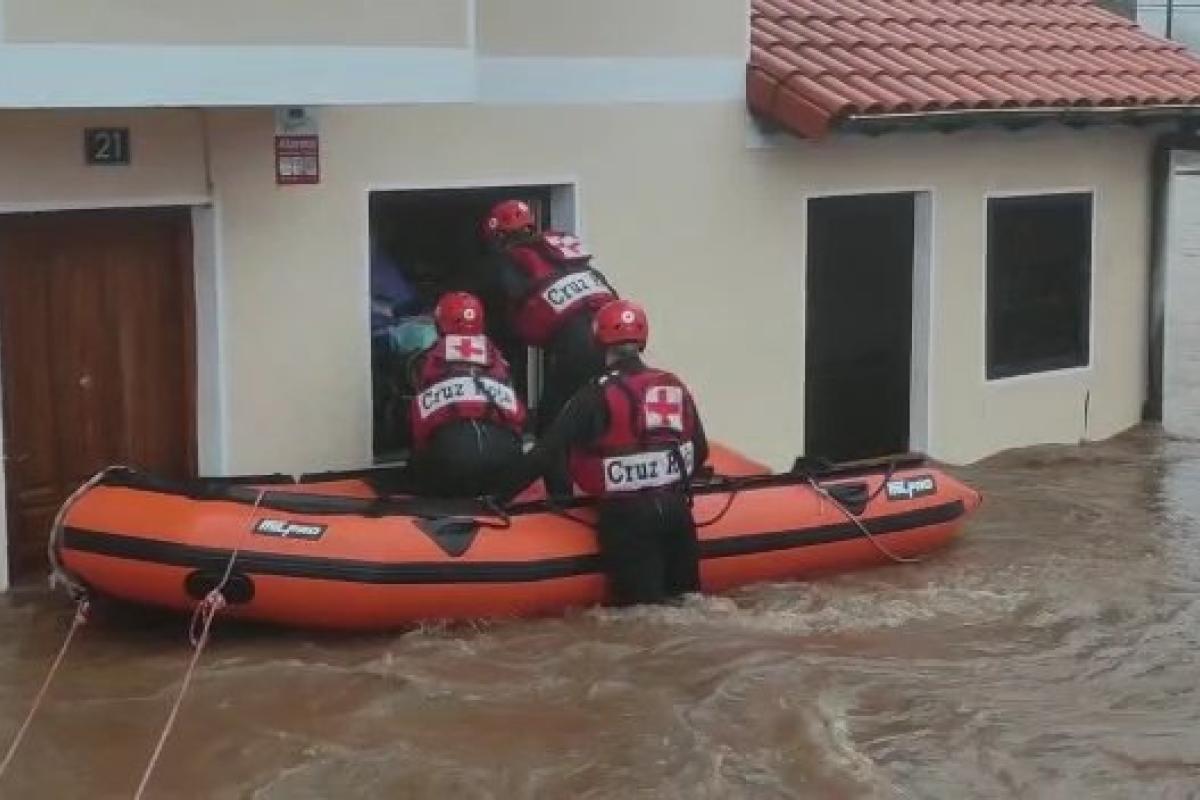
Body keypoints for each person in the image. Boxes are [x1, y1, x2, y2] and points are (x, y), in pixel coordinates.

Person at [494, 299, 709, 607]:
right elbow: (700, 450)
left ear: (598, 340)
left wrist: (498, 498)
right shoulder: (672, 385)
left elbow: (546, 453)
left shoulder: (595, 394)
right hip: (677, 514)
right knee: (688, 605)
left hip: (627, 520)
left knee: (641, 614)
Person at [479, 199, 618, 433]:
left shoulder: (508, 262)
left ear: (499, 236)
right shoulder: (562, 252)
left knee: (551, 420)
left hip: (576, 345)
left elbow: (507, 314)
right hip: (614, 339)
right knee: (608, 408)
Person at [406, 291, 527, 497]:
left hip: (452, 466)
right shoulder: (500, 360)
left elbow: (418, 428)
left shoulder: (425, 361)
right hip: (507, 465)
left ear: (439, 323)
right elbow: (519, 420)